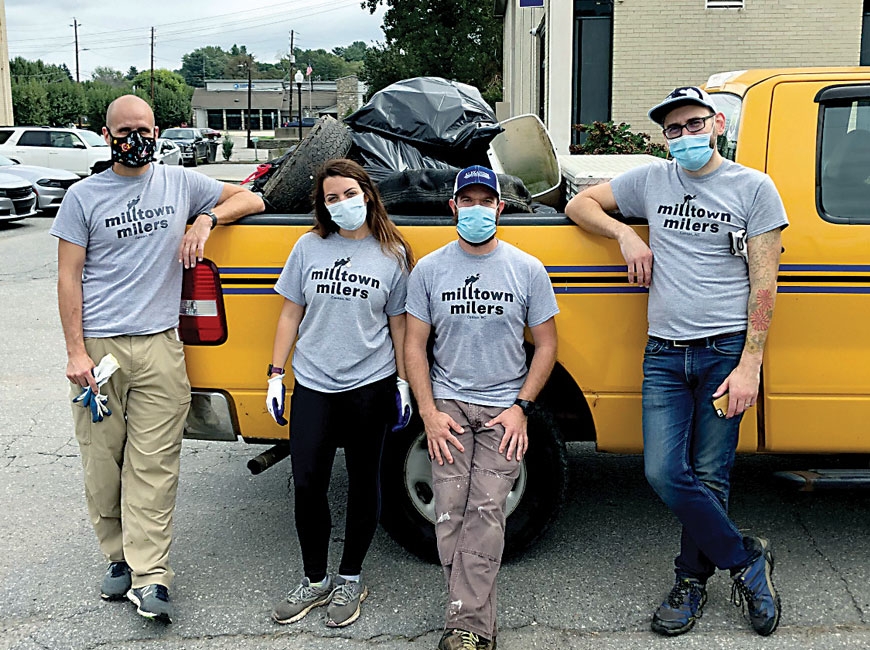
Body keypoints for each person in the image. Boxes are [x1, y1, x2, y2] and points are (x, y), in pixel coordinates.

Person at [565, 86, 788, 637]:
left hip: (722, 355)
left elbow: (765, 284)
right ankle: (745, 559)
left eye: (693, 125)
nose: (683, 137)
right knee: (662, 471)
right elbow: (579, 203)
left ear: (715, 124)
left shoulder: (753, 188)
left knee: (710, 475)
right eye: (673, 129)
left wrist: (749, 365)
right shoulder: (652, 179)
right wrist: (625, 236)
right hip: (664, 353)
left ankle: (690, 580)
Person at [52, 94, 264, 623]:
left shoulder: (179, 183)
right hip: (100, 352)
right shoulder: (83, 197)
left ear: (157, 130)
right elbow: (67, 276)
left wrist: (207, 219)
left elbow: (252, 199)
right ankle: (118, 555)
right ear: (107, 137)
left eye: (143, 128)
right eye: (124, 130)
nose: (135, 138)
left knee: (154, 466)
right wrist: (75, 351)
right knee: (103, 463)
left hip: (160, 348)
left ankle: (150, 578)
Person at [404, 165, 559, 650]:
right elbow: (413, 346)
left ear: (500, 207)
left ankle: (466, 628)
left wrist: (522, 408)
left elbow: (548, 345)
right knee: (450, 511)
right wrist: (428, 412)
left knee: (487, 511)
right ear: (452, 208)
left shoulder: (527, 269)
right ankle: (472, 624)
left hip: (502, 411)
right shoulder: (429, 270)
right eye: (466, 201)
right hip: (448, 406)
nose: (476, 209)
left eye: (484, 201)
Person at [267, 158, 415, 628]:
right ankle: (316, 580)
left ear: (367, 194)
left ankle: (350, 578)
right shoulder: (308, 248)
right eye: (332, 198)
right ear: (323, 206)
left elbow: (398, 322)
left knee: (363, 482)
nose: (342, 203)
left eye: (349, 193)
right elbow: (290, 313)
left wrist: (404, 381)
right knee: (308, 482)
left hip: (369, 385)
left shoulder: (393, 254)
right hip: (313, 383)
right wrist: (275, 373)